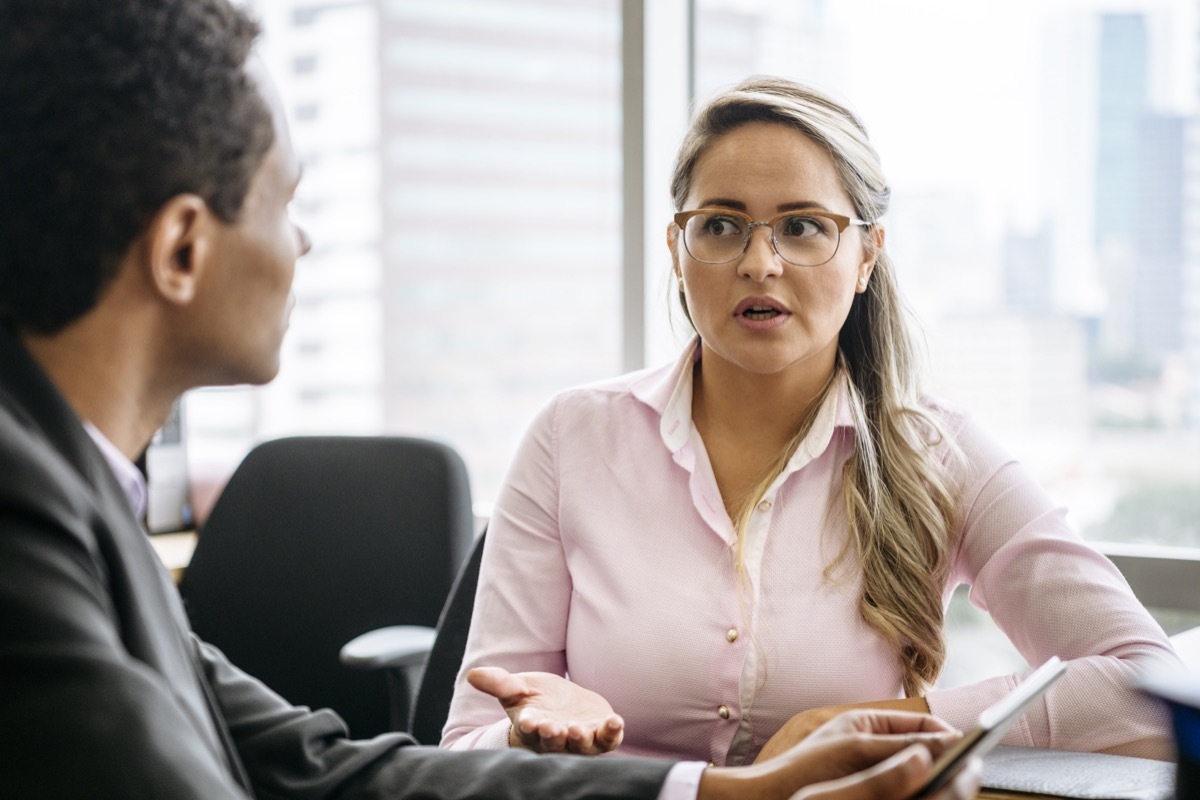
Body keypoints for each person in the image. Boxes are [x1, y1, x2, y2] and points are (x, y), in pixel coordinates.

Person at [0, 2, 982, 798]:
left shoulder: (75, 491)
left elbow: (315, 765)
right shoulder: (21, 514)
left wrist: (730, 794)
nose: (303, 246)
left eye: (803, 228)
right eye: (287, 203)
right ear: (182, 249)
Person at [442, 76, 1183, 766]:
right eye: (722, 226)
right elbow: (462, 749)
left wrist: (867, 728)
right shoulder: (572, 438)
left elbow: (1144, 685)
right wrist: (525, 733)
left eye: (802, 227)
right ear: (677, 248)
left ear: (866, 256)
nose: (760, 262)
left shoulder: (939, 452)